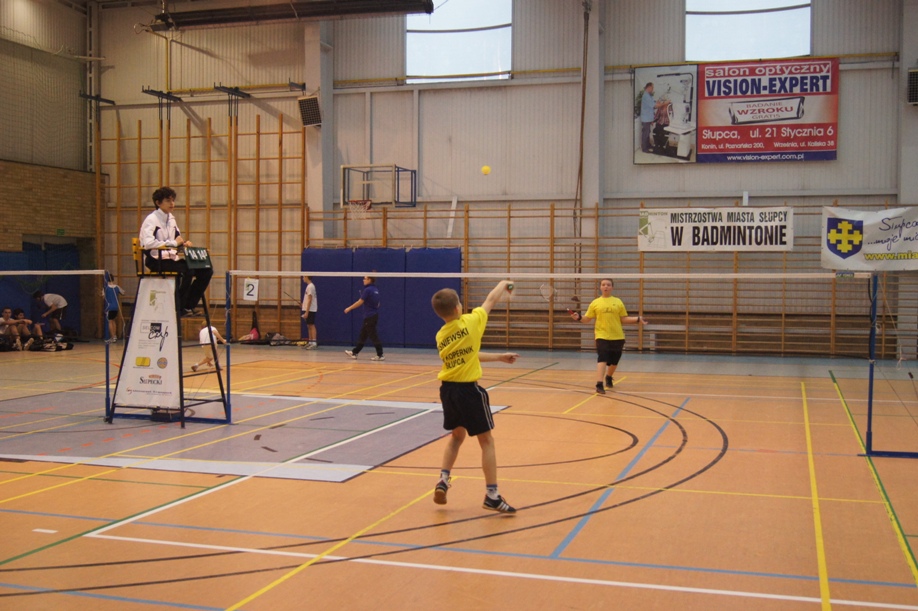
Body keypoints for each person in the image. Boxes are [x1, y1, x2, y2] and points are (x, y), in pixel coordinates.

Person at [430, 280, 520, 514]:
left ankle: (443, 480)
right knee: (487, 441)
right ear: (458, 308)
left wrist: (499, 357)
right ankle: (492, 495)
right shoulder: (471, 322)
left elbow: (469, 354)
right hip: (469, 391)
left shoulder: (441, 335)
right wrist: (503, 283)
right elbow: (491, 299)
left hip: (448, 391)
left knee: (456, 436)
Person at [139, 186, 213, 317]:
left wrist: (184, 244)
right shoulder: (151, 219)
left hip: (171, 259)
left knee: (206, 270)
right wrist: (174, 243)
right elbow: (147, 243)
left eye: (173, 200)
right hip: (156, 260)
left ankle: (188, 305)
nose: (172, 203)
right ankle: (179, 307)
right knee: (188, 270)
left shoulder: (171, 219)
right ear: (158, 203)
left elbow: (177, 239)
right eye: (168, 200)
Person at [570, 278, 648, 394]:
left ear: (612, 287)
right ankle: (599, 384)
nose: (606, 286)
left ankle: (609, 376)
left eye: (608, 285)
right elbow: (587, 319)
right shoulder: (595, 303)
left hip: (617, 336)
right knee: (602, 357)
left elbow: (623, 319)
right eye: (603, 284)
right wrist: (579, 317)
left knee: (614, 361)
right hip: (601, 335)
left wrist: (637, 319)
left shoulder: (618, 302)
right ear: (600, 287)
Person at [343, 275, 383, 360]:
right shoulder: (376, 290)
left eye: (365, 279)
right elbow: (378, 304)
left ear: (370, 280)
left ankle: (380, 355)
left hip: (370, 316)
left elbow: (360, 302)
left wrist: (349, 308)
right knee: (363, 335)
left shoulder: (367, 290)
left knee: (373, 335)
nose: (363, 280)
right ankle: (355, 353)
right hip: (374, 315)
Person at [640, 82, 666, 154]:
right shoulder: (646, 96)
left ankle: (648, 145)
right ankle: (644, 148)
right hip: (645, 119)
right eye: (652, 88)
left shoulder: (649, 95)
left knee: (648, 133)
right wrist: (665, 103)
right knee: (645, 134)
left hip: (648, 118)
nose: (653, 89)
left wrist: (658, 102)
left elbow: (654, 104)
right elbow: (655, 106)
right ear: (649, 87)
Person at [103, 271, 124, 343]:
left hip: (109, 307)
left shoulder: (105, 288)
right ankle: (114, 336)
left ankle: (112, 337)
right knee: (113, 321)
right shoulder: (117, 287)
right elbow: (123, 292)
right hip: (116, 307)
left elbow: (103, 296)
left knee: (110, 321)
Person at [301, 275, 318, 350]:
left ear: (307, 277)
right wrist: (303, 305)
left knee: (311, 325)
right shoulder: (309, 286)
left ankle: (314, 343)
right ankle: (310, 342)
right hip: (308, 309)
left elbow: (310, 299)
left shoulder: (310, 286)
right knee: (308, 325)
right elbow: (307, 299)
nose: (303, 278)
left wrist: (307, 312)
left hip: (311, 309)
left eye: (304, 277)